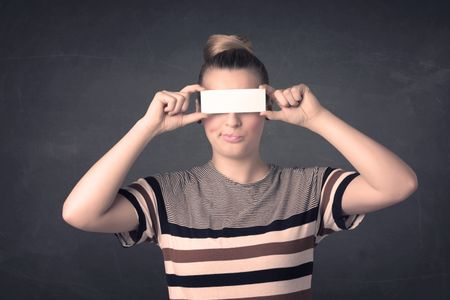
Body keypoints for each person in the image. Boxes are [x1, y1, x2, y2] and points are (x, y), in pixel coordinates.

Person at [62, 34, 418, 299]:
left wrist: (318, 119)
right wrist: (146, 127)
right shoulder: (166, 196)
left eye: (245, 104)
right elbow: (80, 214)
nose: (231, 121)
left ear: (267, 109)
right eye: (218, 104)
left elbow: (398, 185)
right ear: (198, 112)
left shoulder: (310, 190)